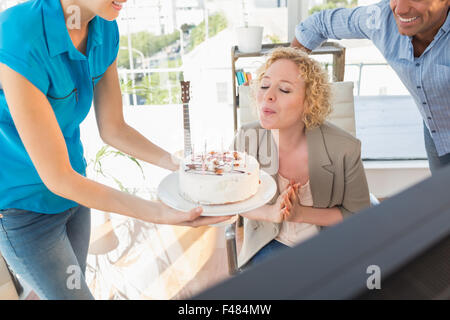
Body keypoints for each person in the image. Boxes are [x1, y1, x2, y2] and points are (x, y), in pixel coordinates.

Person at [0, 0, 229, 300]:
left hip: (75, 201)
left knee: (67, 288)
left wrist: (180, 164)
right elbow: (58, 177)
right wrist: (159, 212)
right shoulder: (18, 33)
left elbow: (113, 128)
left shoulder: (104, 27)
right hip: (25, 210)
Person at [233, 47, 371, 270]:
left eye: (285, 90)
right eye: (265, 85)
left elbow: (358, 215)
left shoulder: (345, 148)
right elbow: (230, 201)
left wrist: (301, 214)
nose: (268, 95)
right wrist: (270, 213)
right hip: (268, 243)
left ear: (309, 102)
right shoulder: (246, 139)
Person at [291, 0, 450, 174]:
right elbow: (317, 25)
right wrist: (285, 77)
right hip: (437, 131)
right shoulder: (381, 19)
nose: (400, 9)